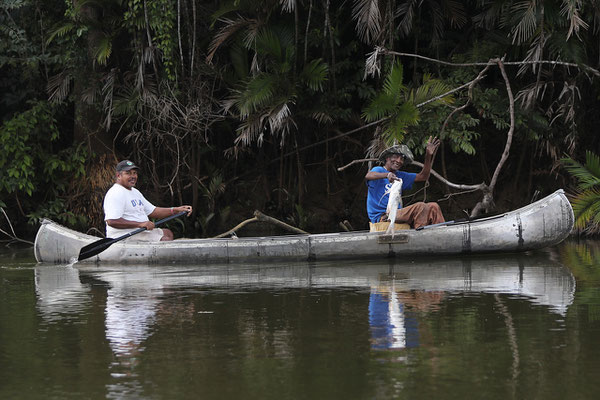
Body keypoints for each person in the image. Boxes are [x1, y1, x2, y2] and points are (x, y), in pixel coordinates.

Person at [365, 138, 445, 229]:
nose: (399, 160)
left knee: (434, 206)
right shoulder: (378, 170)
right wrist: (387, 175)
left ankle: (443, 233)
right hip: (383, 216)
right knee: (420, 206)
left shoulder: (400, 176)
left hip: (397, 213)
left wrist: (428, 155)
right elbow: (369, 175)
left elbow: (423, 176)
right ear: (387, 158)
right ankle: (420, 235)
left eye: (401, 158)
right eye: (395, 157)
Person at [103, 160, 192, 241]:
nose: (133, 176)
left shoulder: (135, 192)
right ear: (118, 175)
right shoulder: (115, 193)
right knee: (165, 239)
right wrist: (140, 224)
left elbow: (153, 211)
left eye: (134, 173)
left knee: (167, 232)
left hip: (139, 231)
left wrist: (176, 210)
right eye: (128, 173)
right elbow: (112, 221)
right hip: (123, 235)